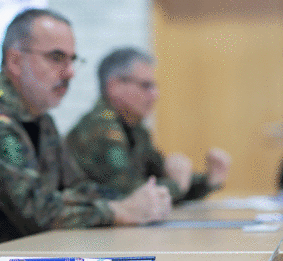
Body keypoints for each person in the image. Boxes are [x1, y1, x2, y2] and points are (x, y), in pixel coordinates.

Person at [0, 9, 172, 246]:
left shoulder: (40, 118)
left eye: (72, 60)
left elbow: (78, 188)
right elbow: (36, 212)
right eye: (57, 58)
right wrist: (118, 210)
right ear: (15, 61)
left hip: (28, 259)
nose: (70, 72)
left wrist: (135, 201)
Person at [65, 47, 230, 202]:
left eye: (154, 86)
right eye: (146, 86)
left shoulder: (135, 129)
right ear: (114, 87)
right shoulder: (100, 129)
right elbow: (130, 194)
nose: (155, 95)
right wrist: (177, 185)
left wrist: (207, 181)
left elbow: (158, 177)